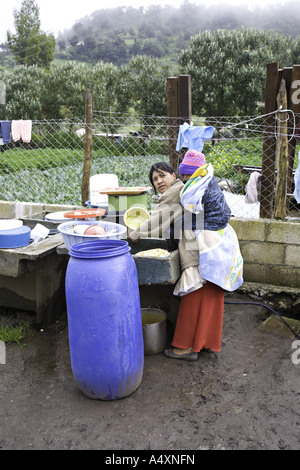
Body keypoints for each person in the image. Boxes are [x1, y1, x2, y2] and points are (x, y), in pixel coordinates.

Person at [129, 152, 243, 361]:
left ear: (175, 175)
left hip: (196, 250)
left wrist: (135, 233)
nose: (159, 181)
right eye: (154, 179)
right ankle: (205, 342)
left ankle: (185, 347)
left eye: (162, 175)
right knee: (210, 296)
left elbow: (157, 220)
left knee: (193, 296)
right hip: (214, 248)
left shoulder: (177, 191)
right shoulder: (196, 185)